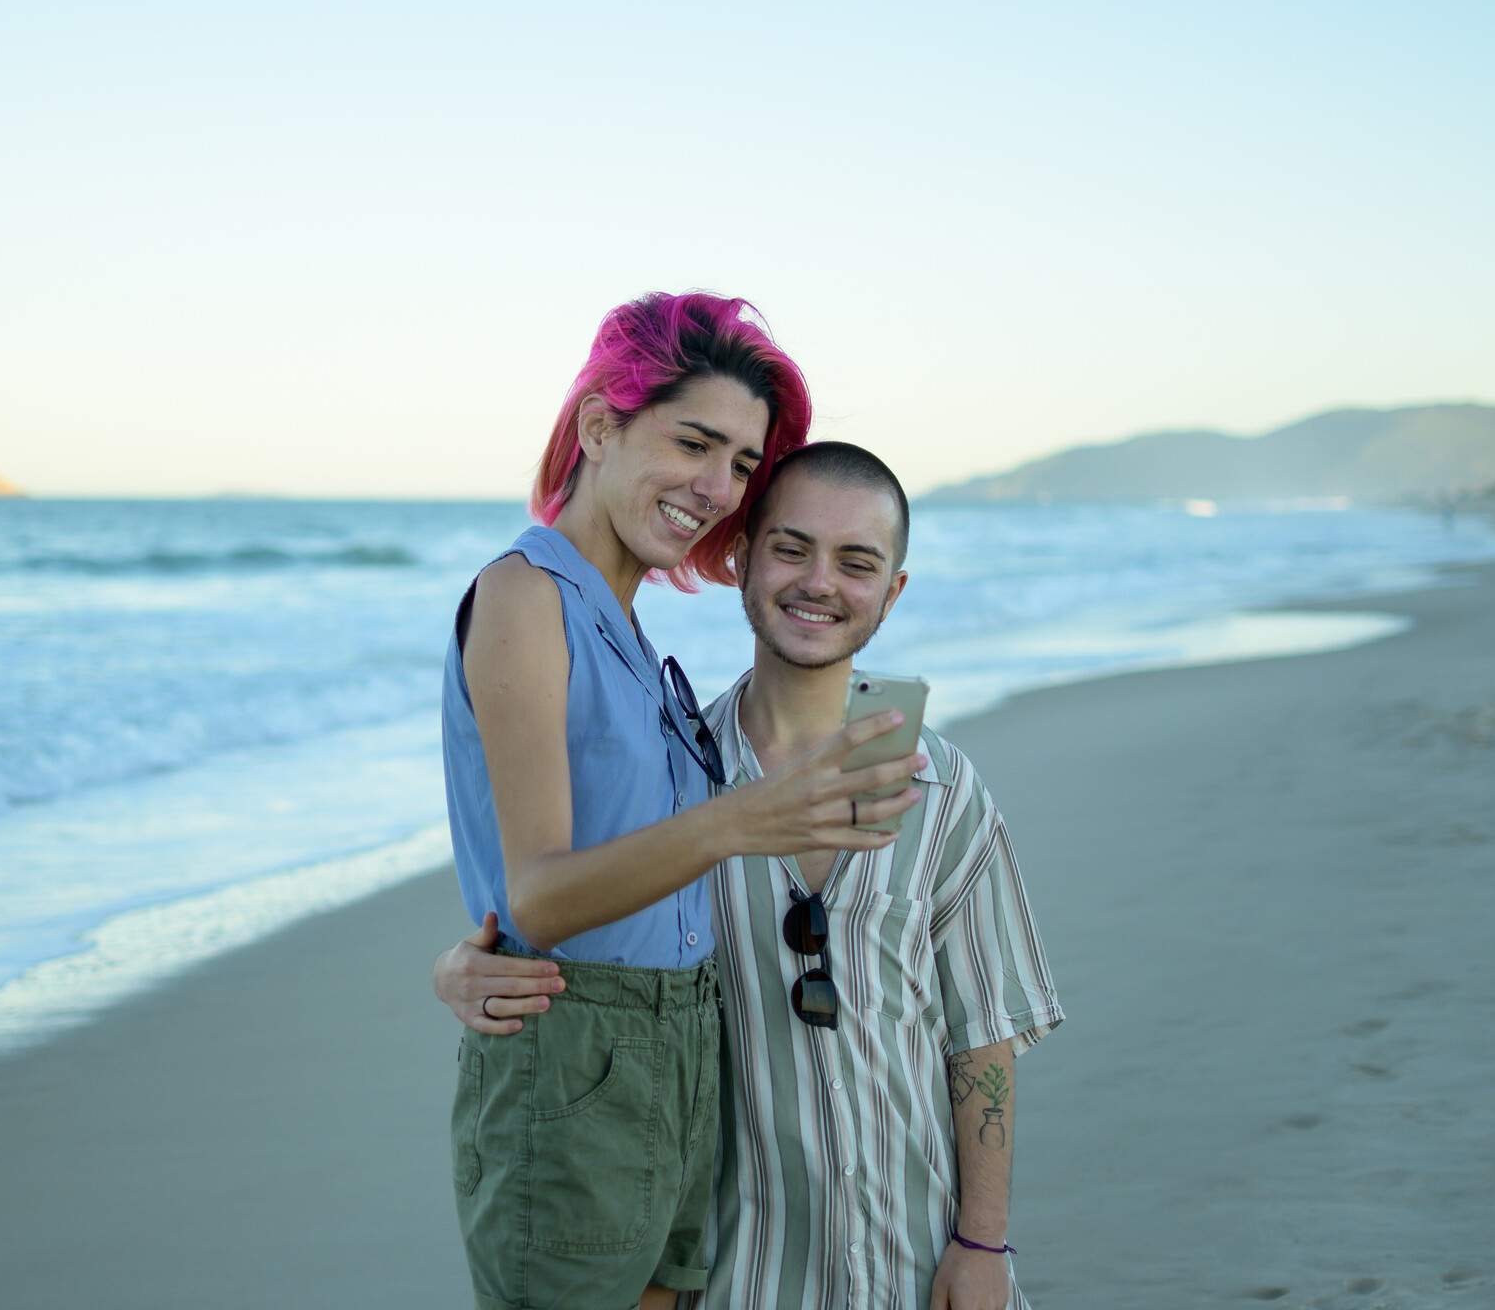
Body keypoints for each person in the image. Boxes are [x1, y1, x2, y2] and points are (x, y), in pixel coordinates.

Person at [439, 442, 1065, 1310]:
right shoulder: (672, 785)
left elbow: (982, 1034)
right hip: (742, 1273)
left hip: (920, 1267)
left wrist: (982, 1241)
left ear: (893, 590)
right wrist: (468, 967)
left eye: (857, 563)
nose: (819, 582)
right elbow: (575, 918)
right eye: (791, 548)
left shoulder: (943, 788)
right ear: (740, 558)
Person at [443, 295, 927, 1310]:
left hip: (682, 1060)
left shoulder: (625, 626)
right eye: (695, 442)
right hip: (577, 1068)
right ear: (599, 425)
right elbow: (534, 897)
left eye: (744, 465)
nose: (718, 489)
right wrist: (745, 822)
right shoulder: (527, 596)